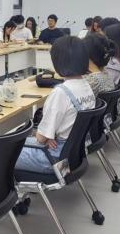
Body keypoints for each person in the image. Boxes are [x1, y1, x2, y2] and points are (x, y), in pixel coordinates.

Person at [15, 36, 96, 173]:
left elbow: (41, 138)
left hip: (53, 158)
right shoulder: (87, 87)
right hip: (75, 154)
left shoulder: (61, 93)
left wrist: (47, 138)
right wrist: (49, 137)